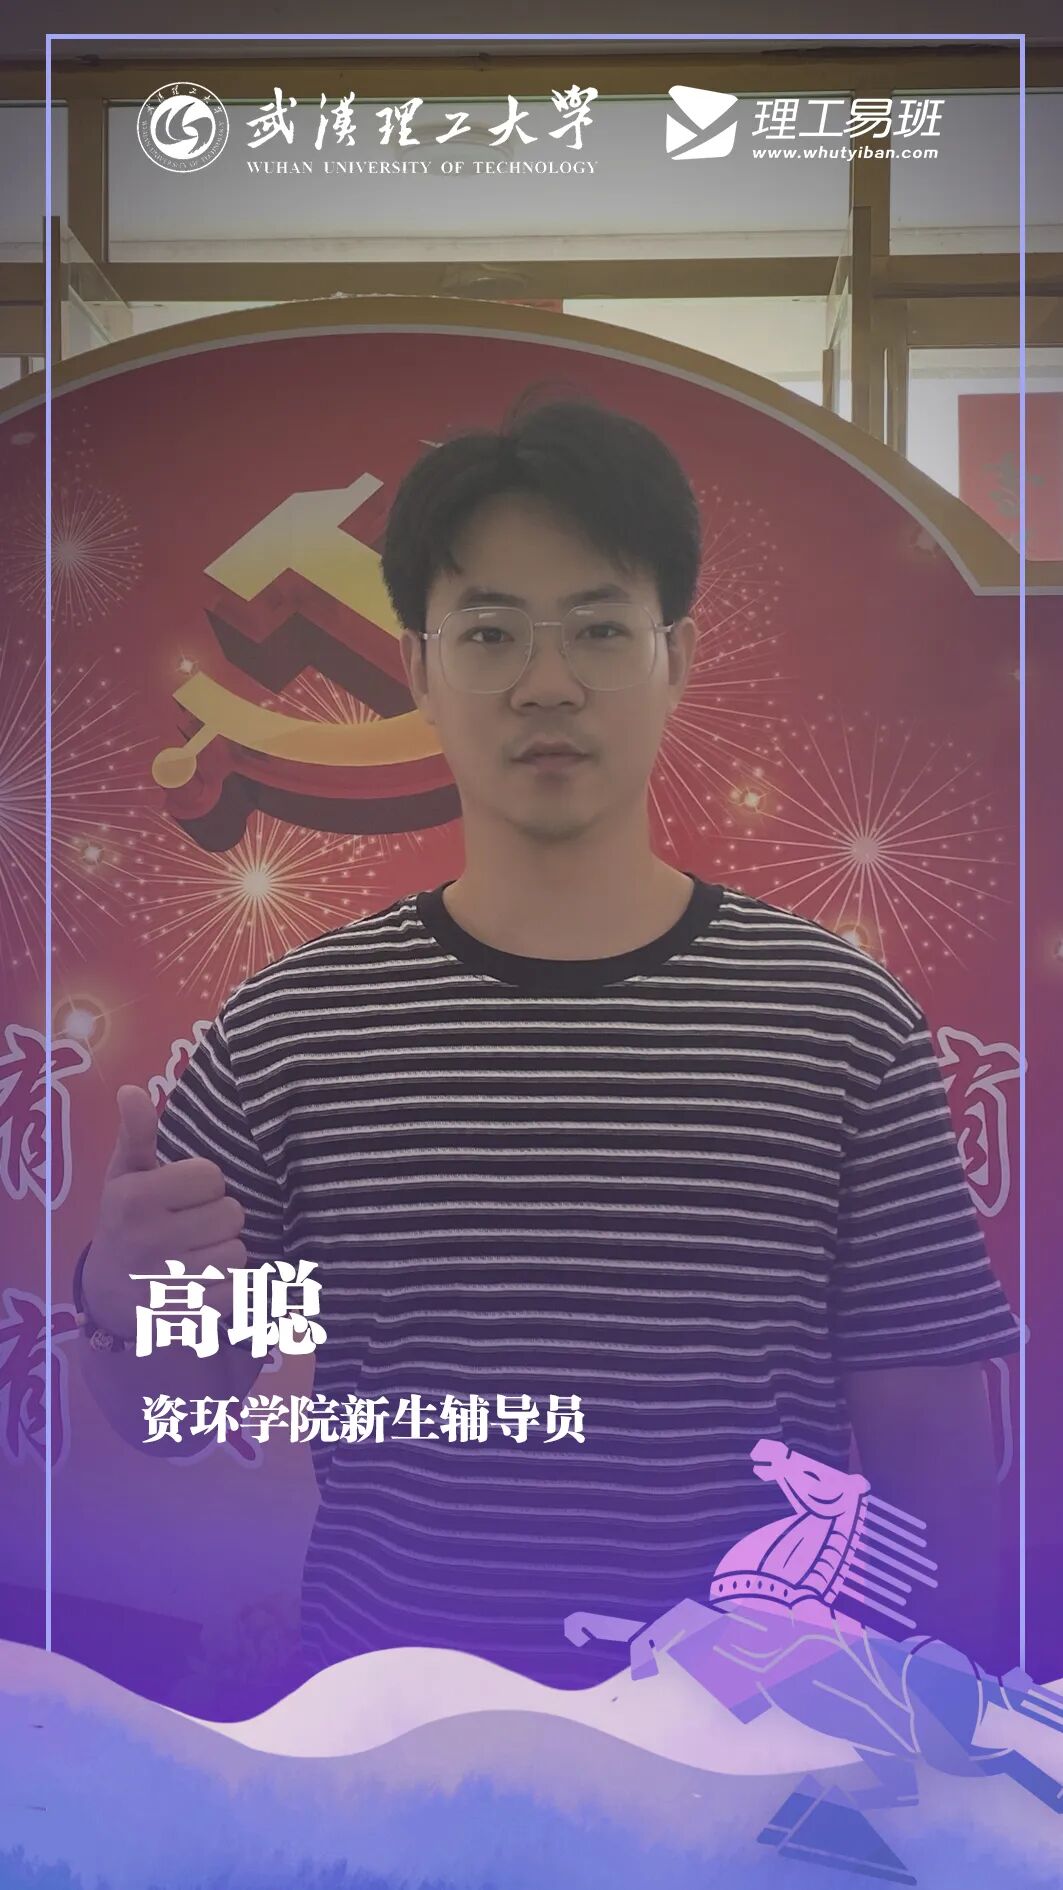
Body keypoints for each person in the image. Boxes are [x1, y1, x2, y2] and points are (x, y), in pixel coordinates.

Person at [75, 387, 1021, 1688]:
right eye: (490, 633)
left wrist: (940, 1757)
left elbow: (934, 1461)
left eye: (599, 629)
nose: (548, 683)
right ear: (419, 668)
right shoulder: (298, 1030)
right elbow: (181, 1408)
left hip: (754, 1750)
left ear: (675, 657)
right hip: (396, 1743)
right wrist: (122, 1300)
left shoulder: (835, 1022)